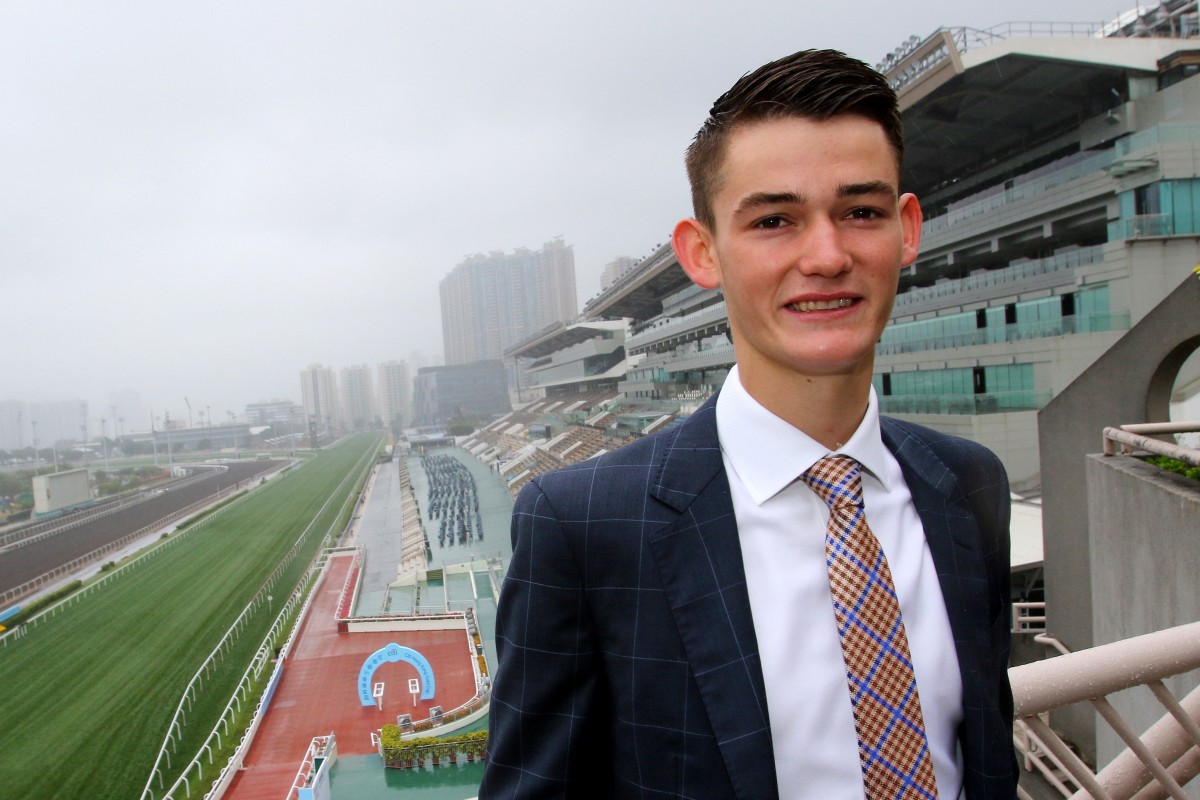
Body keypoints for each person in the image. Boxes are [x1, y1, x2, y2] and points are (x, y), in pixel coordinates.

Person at [480, 49, 1016, 799]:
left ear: (907, 229)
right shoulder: (583, 525)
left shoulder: (966, 484)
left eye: (859, 212)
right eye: (774, 221)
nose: (826, 255)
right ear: (703, 252)